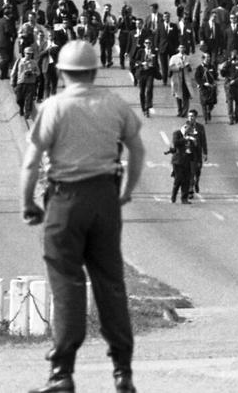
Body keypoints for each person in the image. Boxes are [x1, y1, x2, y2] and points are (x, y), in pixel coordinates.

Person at [18, 40, 145, 393]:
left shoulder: (54, 107)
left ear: (61, 72)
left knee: (66, 283)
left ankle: (62, 373)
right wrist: (126, 190)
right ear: (94, 69)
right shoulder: (114, 104)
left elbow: (31, 163)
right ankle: (122, 371)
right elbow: (137, 150)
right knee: (110, 283)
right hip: (105, 196)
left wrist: (28, 203)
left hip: (65, 199)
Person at [11, 45, 41, 119]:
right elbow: (14, 71)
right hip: (20, 82)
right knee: (19, 99)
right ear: (24, 53)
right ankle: (21, 108)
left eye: (30, 54)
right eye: (27, 53)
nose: (29, 55)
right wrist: (12, 82)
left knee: (29, 99)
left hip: (30, 83)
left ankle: (27, 113)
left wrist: (33, 72)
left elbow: (38, 72)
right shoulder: (19, 61)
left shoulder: (34, 62)